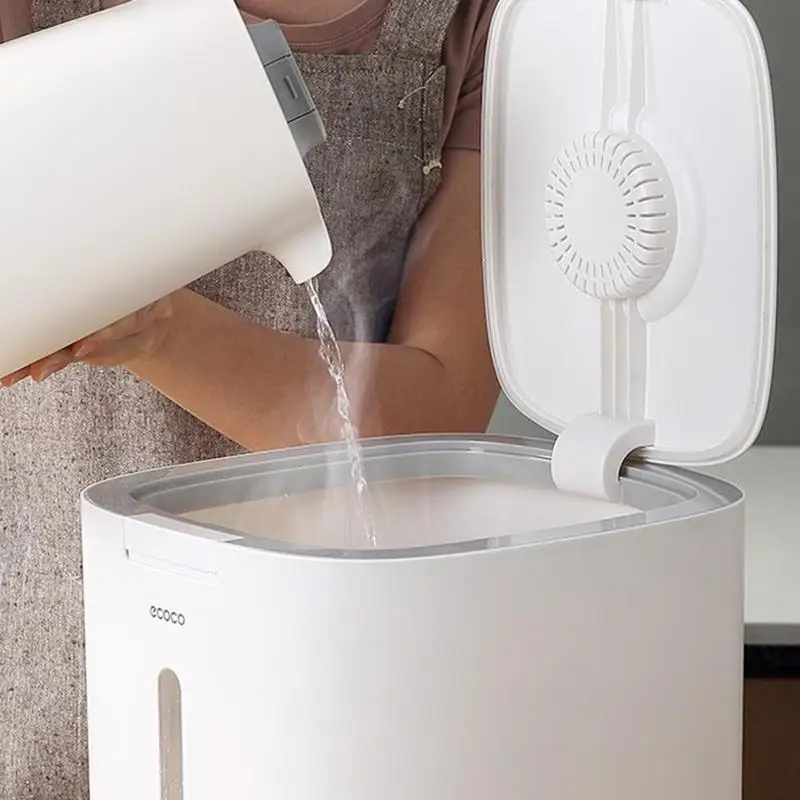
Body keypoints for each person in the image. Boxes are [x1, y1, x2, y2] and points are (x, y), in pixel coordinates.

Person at [0, 0, 501, 796]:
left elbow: (437, 415)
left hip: (321, 678)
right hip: (45, 657)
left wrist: (159, 329)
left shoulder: (481, 24)